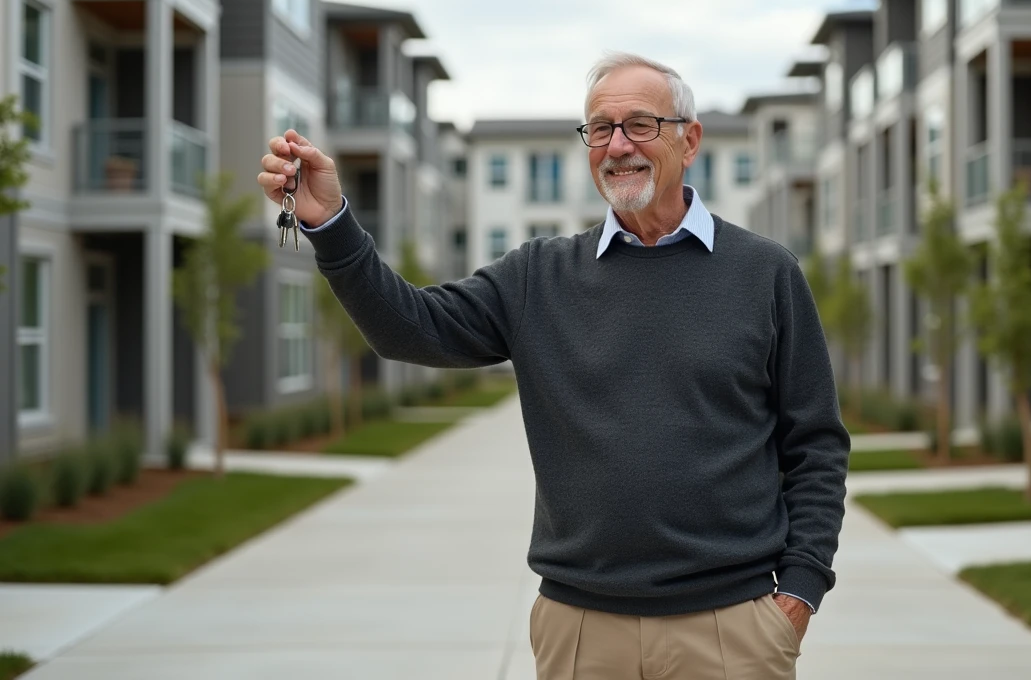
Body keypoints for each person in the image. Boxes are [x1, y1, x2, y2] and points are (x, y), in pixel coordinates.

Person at [258, 52, 849, 679]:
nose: (617, 146)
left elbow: (814, 444)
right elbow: (410, 328)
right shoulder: (537, 276)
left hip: (732, 629)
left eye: (639, 125)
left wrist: (801, 591)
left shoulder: (765, 273)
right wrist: (332, 226)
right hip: (581, 633)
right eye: (599, 128)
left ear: (689, 139)